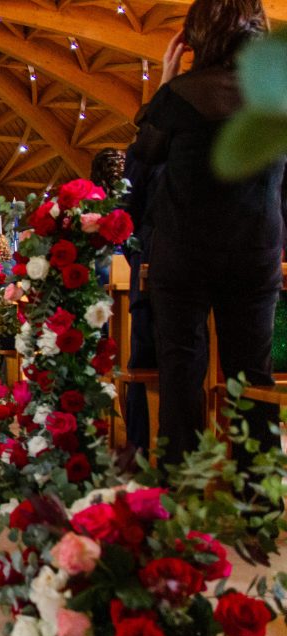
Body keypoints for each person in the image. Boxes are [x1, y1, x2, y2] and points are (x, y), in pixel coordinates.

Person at [128, 0, 285, 468]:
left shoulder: (180, 94)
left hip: (184, 254)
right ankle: (256, 502)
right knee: (253, 376)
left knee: (182, 371)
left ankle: (183, 489)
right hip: (254, 253)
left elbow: (145, 156)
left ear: (195, 36)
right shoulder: (274, 99)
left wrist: (164, 81)